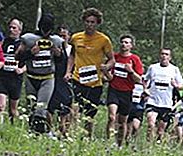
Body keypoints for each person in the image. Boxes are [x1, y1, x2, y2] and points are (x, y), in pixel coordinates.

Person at [64, 8, 114, 137]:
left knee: (90, 115)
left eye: (92, 22)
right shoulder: (76, 37)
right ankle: (72, 135)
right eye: (87, 21)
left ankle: (87, 137)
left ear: (97, 23)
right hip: (77, 78)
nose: (89, 25)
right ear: (83, 22)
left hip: (95, 82)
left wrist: (106, 67)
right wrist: (68, 72)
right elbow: (72, 56)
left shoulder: (104, 40)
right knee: (74, 109)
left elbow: (112, 59)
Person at [16, 13, 63, 133]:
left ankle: (40, 132)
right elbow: (17, 56)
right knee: (31, 106)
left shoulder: (56, 41)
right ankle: (31, 131)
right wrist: (30, 53)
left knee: (41, 107)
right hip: (32, 76)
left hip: (47, 78)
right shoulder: (28, 39)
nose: (45, 33)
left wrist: (58, 54)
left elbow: (63, 60)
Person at [103, 34, 143, 146]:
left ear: (131, 46)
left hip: (127, 92)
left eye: (126, 42)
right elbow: (107, 77)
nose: (123, 44)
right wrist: (105, 71)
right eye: (122, 42)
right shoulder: (114, 57)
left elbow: (138, 79)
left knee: (122, 122)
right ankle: (109, 142)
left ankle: (119, 144)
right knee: (111, 117)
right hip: (113, 90)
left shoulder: (135, 59)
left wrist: (130, 71)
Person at [143, 48, 183, 141]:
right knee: (151, 123)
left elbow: (182, 86)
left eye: (166, 54)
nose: (164, 56)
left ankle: (157, 145)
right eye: (162, 54)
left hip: (166, 103)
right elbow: (145, 79)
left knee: (161, 130)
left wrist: (176, 85)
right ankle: (148, 145)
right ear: (159, 55)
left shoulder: (174, 69)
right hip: (153, 101)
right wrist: (145, 89)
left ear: (170, 57)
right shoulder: (153, 67)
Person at [0, 18, 26, 123]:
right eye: (10, 27)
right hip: (3, 77)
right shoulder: (3, 42)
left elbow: (29, 61)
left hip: (15, 79)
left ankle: (13, 126)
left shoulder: (23, 44)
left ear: (20, 30)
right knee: (0, 106)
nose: (11, 30)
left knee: (13, 110)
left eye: (14, 28)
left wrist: (22, 70)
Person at [48, 24, 74, 136]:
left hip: (69, 80)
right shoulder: (53, 49)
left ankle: (65, 132)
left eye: (64, 36)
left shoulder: (72, 50)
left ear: (69, 36)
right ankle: (50, 130)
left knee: (67, 108)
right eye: (60, 36)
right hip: (55, 78)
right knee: (51, 106)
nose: (62, 38)